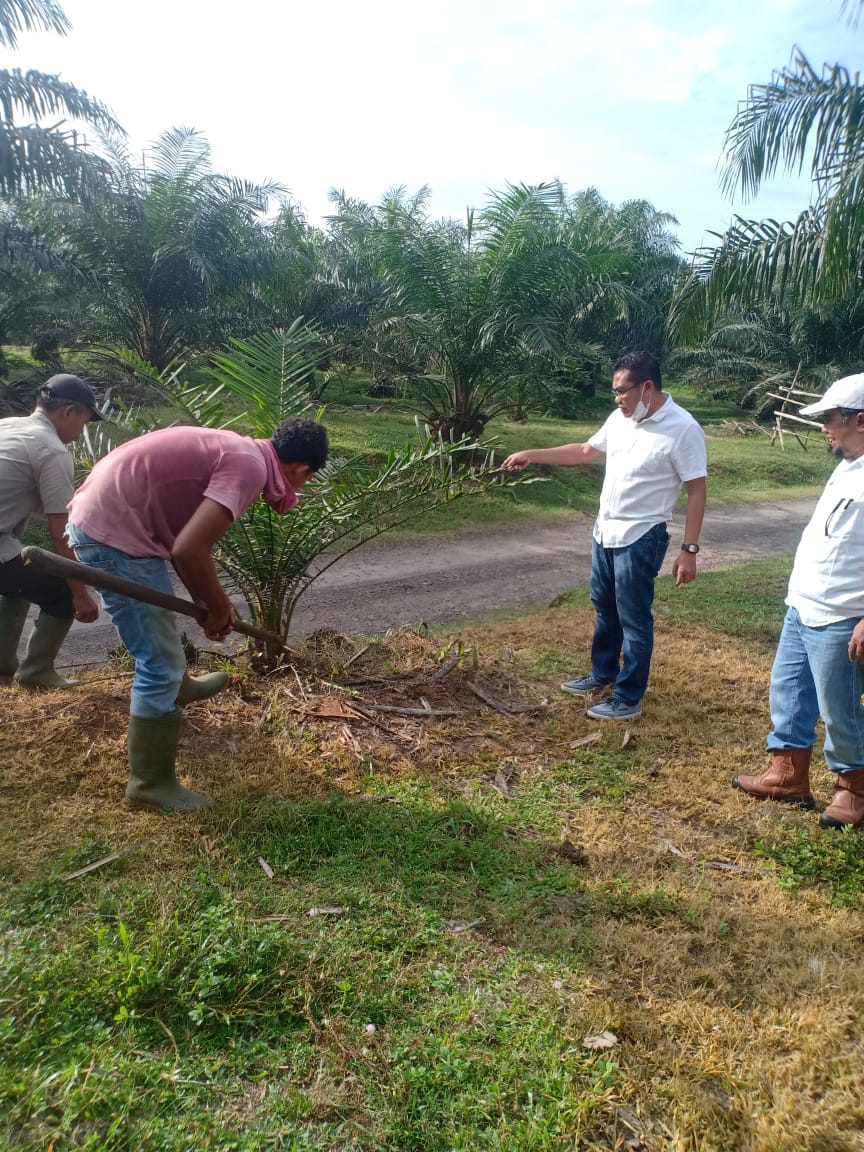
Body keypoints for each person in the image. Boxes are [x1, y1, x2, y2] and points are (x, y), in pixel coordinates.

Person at [67, 417, 329, 813]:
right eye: (306, 481)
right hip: (112, 535)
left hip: (111, 519)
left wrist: (208, 606)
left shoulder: (243, 449)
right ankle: (149, 784)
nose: (301, 487)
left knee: (160, 627)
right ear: (301, 470)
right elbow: (190, 549)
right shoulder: (251, 467)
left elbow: (184, 547)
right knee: (157, 663)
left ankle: (178, 686)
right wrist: (220, 606)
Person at [503, 351, 707, 721]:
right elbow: (584, 451)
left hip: (642, 535)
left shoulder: (683, 428)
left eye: (622, 391)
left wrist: (688, 550)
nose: (617, 399)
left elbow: (697, 489)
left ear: (647, 387)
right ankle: (602, 674)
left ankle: (628, 697)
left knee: (633, 616)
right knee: (604, 607)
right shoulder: (620, 419)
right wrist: (532, 454)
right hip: (605, 530)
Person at [733, 373, 864, 829]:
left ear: (860, 420)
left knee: (840, 708)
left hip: (845, 613)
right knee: (789, 693)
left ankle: (854, 789)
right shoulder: (847, 464)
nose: (824, 427)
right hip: (804, 605)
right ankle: (786, 775)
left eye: (830, 418)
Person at [0, 374, 103, 687]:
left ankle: (2, 663)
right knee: (60, 592)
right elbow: (61, 534)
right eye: (84, 421)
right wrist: (79, 593)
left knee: (21, 573)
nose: (81, 431)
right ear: (68, 411)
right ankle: (36, 673)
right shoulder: (52, 449)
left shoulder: (8, 427)